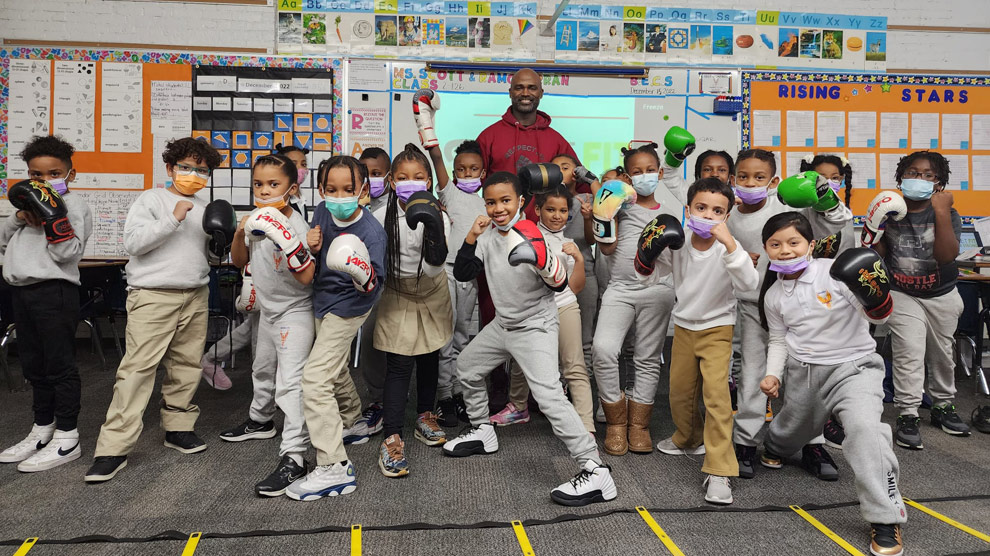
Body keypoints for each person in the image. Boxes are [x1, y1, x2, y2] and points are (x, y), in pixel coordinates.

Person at [445, 172, 617, 507]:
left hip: (535, 327)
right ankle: (482, 431)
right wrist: (470, 237)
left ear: (521, 201)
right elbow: (465, 272)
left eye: (505, 200)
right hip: (503, 326)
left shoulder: (536, 235)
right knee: (466, 367)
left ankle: (595, 470)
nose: (498, 208)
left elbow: (559, 285)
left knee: (550, 396)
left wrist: (539, 256)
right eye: (491, 202)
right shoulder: (489, 236)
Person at [758, 212, 906, 556]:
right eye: (775, 244)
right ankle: (776, 448)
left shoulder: (835, 272)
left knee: (866, 430)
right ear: (766, 249)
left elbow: (878, 315)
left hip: (855, 367)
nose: (785, 250)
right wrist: (773, 374)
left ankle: (885, 518)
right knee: (789, 431)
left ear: (810, 245)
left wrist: (878, 295)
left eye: (793, 242)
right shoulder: (773, 296)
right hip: (806, 371)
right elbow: (778, 340)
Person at [86, 137, 227, 483]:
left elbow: (207, 257)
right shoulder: (153, 199)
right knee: (137, 370)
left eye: (201, 170)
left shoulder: (205, 206)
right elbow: (133, 243)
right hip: (151, 295)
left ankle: (178, 428)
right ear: (170, 168)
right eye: (186, 167)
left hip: (194, 293)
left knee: (186, 366)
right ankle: (113, 448)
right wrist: (173, 219)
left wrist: (219, 246)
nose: (193, 175)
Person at [638, 177, 759, 505]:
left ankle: (720, 470)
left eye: (717, 211)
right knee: (679, 391)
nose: (708, 215)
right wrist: (649, 250)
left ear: (727, 215)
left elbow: (749, 284)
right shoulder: (680, 241)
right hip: (684, 327)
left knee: (717, 398)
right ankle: (689, 437)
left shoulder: (727, 247)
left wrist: (732, 244)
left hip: (718, 329)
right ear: (688, 209)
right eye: (701, 208)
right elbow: (649, 273)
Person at [286, 155, 387, 501]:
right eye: (331, 189)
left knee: (314, 380)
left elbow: (375, 285)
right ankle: (355, 420)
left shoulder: (373, 232)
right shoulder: (322, 213)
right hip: (322, 299)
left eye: (347, 189)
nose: (339, 195)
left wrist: (361, 274)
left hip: (350, 307)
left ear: (362, 191)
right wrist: (313, 248)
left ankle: (333, 466)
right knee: (334, 366)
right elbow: (316, 259)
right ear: (321, 190)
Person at [0, 136, 93, 473]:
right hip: (22, 292)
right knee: (34, 366)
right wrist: (19, 219)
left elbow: (68, 254)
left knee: (59, 366)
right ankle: (42, 430)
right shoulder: (22, 210)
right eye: (36, 175)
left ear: (70, 175)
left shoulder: (75, 205)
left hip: (54, 291)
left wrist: (54, 220)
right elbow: (1, 242)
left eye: (54, 173)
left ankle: (68, 437)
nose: (45, 180)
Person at [228, 154, 316, 497]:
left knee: (290, 384)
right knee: (262, 369)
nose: (264, 191)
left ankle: (294, 456)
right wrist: (240, 231)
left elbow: (308, 279)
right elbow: (239, 261)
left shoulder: (298, 228)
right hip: (267, 309)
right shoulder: (254, 223)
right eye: (258, 184)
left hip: (295, 310)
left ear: (292, 189)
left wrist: (288, 241)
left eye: (273, 184)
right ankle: (260, 421)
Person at [867, 151, 969, 449]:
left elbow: (946, 256)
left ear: (939, 183)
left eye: (928, 175)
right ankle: (908, 412)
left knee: (941, 354)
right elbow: (879, 254)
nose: (919, 179)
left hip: (942, 293)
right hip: (902, 292)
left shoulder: (947, 214)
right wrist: (875, 227)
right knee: (909, 350)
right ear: (900, 178)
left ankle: (942, 405)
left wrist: (940, 211)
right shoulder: (891, 209)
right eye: (913, 173)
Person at [592, 144, 678, 456]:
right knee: (604, 349)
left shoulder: (669, 210)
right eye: (636, 172)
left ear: (660, 172)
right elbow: (606, 251)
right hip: (621, 289)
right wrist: (602, 216)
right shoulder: (619, 208)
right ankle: (616, 421)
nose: (644, 177)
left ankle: (639, 425)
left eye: (649, 171)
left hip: (658, 290)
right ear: (628, 177)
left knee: (647, 357)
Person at [372, 144, 452, 477]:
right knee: (400, 362)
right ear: (392, 181)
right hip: (397, 292)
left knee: (430, 353)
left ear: (429, 182)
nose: (410, 182)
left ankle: (424, 415)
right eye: (403, 177)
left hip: (432, 289)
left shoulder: (441, 215)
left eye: (418, 177)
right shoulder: (380, 216)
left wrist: (433, 227)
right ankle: (391, 435)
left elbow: (434, 269)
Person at [497, 186, 595, 431]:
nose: (557, 215)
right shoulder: (523, 234)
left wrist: (580, 259)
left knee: (574, 365)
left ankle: (586, 425)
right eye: (550, 209)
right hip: (532, 310)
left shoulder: (569, 244)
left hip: (564, 307)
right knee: (522, 360)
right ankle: (518, 408)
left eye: (563, 211)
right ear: (538, 209)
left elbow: (574, 288)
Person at [430, 138, 485, 427]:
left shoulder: (488, 202)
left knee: (464, 337)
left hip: (471, 275)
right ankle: (444, 397)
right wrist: (426, 125)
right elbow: (437, 158)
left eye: (473, 169)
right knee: (446, 338)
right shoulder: (449, 194)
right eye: (461, 170)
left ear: (482, 173)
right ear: (453, 174)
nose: (466, 174)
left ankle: (460, 393)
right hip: (446, 272)